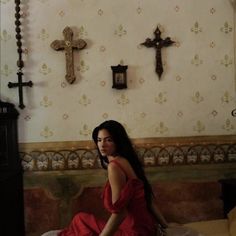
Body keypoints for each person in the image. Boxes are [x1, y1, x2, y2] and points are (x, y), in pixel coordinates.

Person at [58, 120, 168, 236]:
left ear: (118, 141)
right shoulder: (127, 161)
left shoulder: (114, 167)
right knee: (81, 219)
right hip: (146, 228)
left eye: (108, 140)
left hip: (132, 232)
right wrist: (165, 226)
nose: (102, 144)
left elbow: (120, 213)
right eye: (99, 140)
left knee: (79, 219)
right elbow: (149, 201)